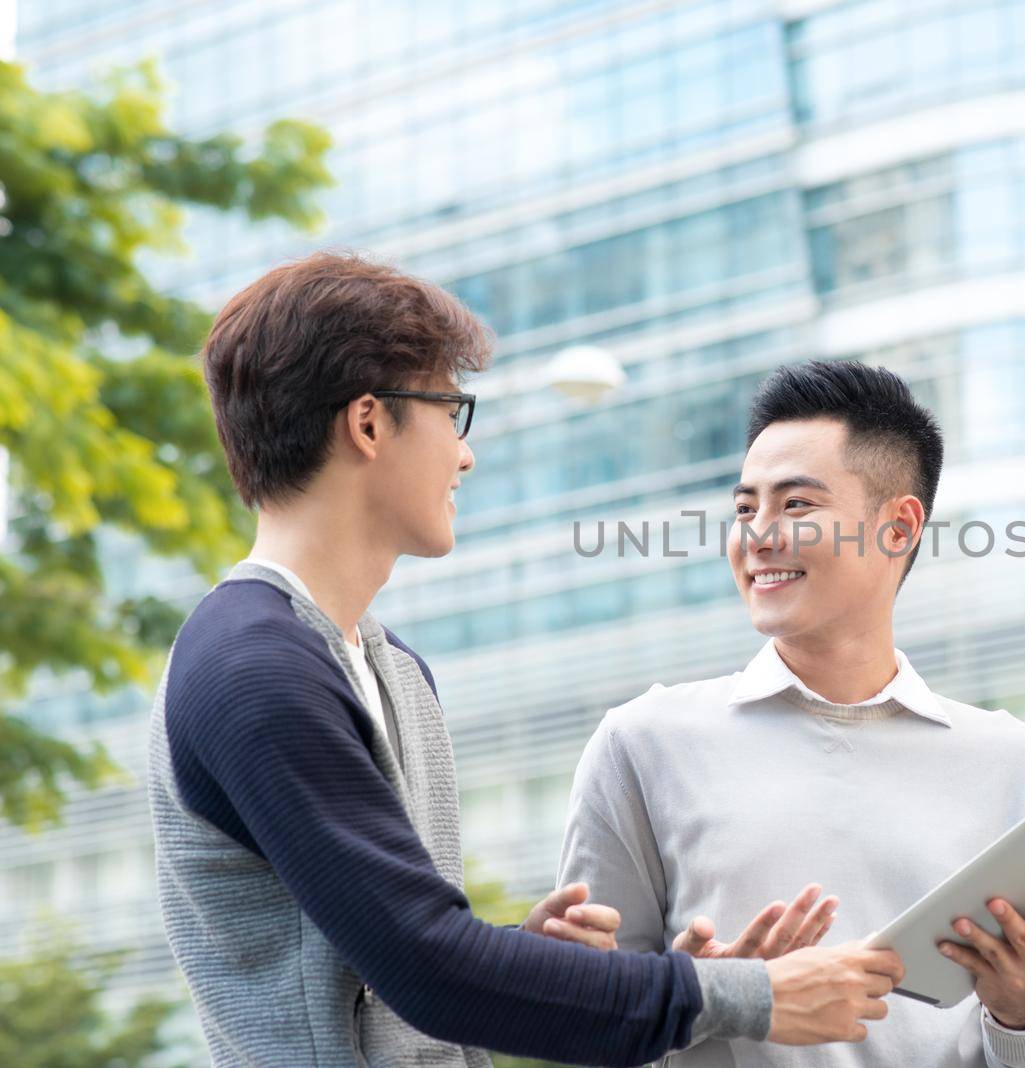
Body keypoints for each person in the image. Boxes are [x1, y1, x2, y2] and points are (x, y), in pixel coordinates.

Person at [146, 254, 903, 1068]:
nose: (464, 456)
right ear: (368, 424)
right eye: (450, 411)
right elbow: (427, 966)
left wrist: (531, 962)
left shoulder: (392, 666)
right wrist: (753, 998)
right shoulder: (251, 668)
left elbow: (399, 971)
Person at [558, 360, 1025, 1066]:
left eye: (796, 506)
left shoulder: (1020, 766)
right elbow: (576, 1025)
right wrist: (703, 1000)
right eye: (745, 507)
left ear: (898, 528)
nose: (758, 535)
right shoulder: (643, 743)